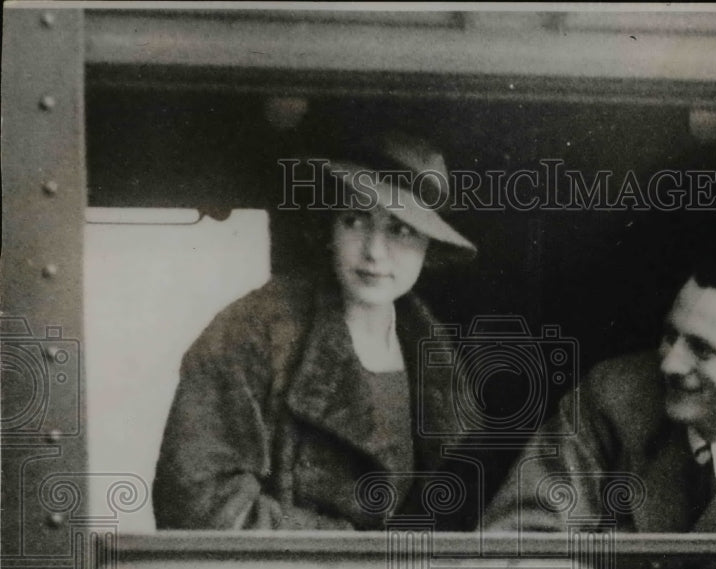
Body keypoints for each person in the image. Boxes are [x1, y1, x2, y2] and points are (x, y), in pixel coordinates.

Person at [154, 131, 478, 530]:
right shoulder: (251, 333)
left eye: (401, 230)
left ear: (428, 245)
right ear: (330, 227)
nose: (375, 252)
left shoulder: (435, 354)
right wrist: (347, 553)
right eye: (355, 220)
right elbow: (199, 502)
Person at [483, 254, 716, 533]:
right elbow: (517, 543)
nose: (669, 364)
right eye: (670, 336)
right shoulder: (613, 397)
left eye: (702, 348)